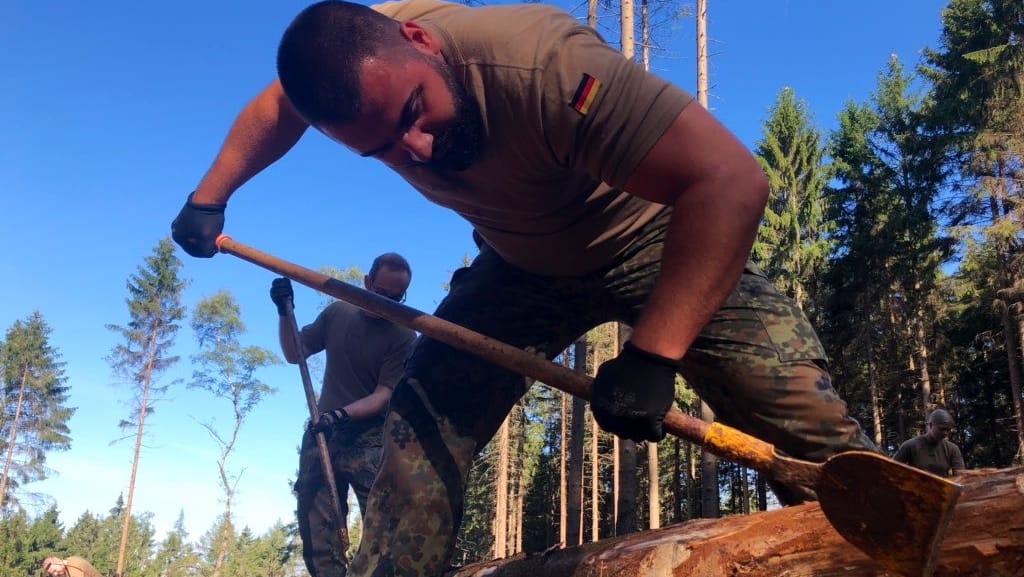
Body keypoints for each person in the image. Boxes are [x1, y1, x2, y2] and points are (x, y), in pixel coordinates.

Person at [171, 1, 876, 574]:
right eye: (381, 146)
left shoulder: (542, 63)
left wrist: (656, 353)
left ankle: (916, 541)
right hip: (521, 264)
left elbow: (730, 181)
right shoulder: (361, 70)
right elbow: (277, 105)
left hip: (656, 237)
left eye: (415, 112)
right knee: (415, 434)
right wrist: (212, 193)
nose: (414, 149)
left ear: (421, 41)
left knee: (805, 425)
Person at [270, 252, 416, 577]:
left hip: (369, 437)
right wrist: (284, 312)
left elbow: (383, 395)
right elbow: (296, 352)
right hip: (323, 432)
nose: (386, 303)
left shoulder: (404, 337)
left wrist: (342, 414)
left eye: (396, 298)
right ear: (367, 282)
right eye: (380, 293)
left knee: (382, 521)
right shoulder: (338, 313)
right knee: (316, 521)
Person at [893, 408, 965, 478]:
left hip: (941, 489)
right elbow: (891, 468)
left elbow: (960, 477)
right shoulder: (910, 446)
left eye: (948, 430)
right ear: (930, 425)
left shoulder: (952, 449)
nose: (945, 433)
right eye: (941, 429)